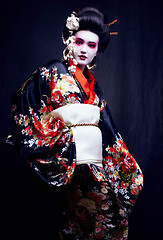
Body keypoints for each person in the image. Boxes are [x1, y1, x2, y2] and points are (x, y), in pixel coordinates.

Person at [7, 5, 143, 240]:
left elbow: (108, 131)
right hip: (71, 165)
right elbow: (23, 101)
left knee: (112, 216)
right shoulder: (52, 71)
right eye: (79, 42)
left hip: (96, 169)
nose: (84, 50)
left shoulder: (93, 86)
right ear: (68, 40)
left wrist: (126, 169)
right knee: (75, 224)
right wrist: (59, 137)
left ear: (97, 50)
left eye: (91, 45)